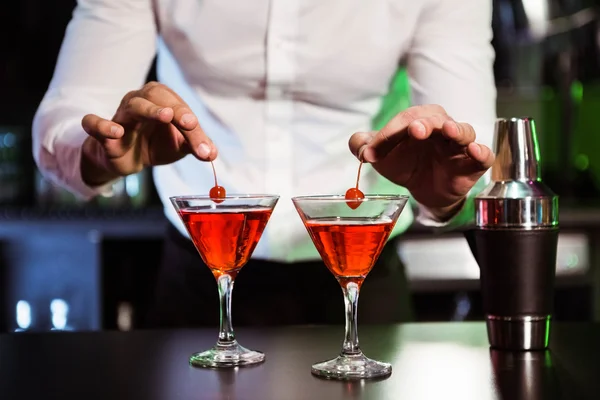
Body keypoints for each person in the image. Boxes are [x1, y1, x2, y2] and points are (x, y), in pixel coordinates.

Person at [33, 0, 496, 327]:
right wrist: (98, 152)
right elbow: (69, 115)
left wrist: (450, 189)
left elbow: (467, 142)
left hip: (366, 278)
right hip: (197, 279)